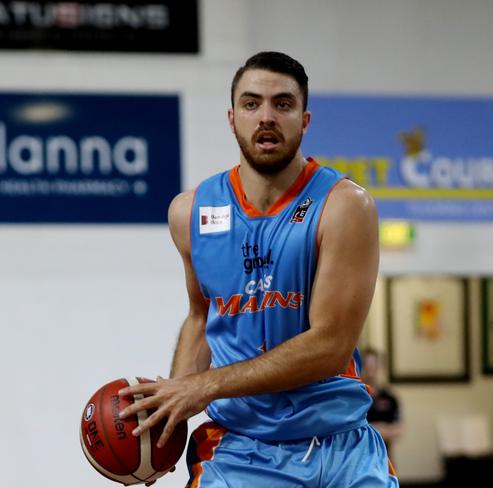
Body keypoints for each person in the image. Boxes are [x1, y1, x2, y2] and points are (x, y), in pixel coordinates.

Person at [119, 51, 399, 487]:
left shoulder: (343, 207)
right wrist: (169, 417)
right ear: (232, 119)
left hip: (340, 449)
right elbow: (200, 315)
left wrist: (204, 386)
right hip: (242, 451)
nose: (266, 116)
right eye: (252, 104)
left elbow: (330, 346)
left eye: (282, 104)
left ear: (305, 121)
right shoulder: (191, 212)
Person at [361, 348, 403, 457]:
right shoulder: (355, 398)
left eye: (374, 368)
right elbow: (351, 433)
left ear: (380, 368)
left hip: (384, 458)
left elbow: (398, 430)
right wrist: (383, 428)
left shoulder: (390, 397)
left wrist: (368, 429)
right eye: (367, 367)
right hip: (359, 458)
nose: (370, 373)